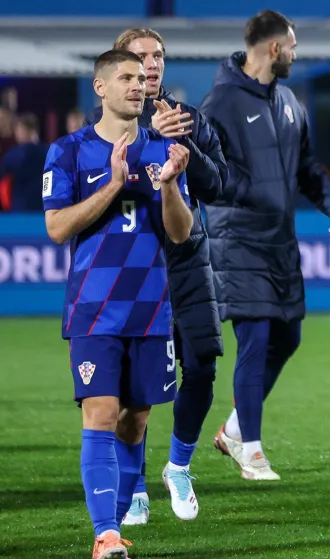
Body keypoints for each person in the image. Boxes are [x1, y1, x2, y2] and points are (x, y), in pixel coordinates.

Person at [42, 49, 193, 559]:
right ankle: (105, 534)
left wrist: (169, 185)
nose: (137, 83)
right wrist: (112, 184)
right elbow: (58, 227)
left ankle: (119, 526)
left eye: (140, 77)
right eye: (125, 77)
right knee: (102, 412)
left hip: (151, 310)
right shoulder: (68, 151)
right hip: (93, 310)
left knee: (136, 421)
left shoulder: (164, 150)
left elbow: (181, 232)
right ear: (100, 88)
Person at [202, 10, 330, 480]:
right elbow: (209, 174)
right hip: (238, 239)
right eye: (292, 45)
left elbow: (308, 169)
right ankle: (251, 450)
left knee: (288, 336)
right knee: (256, 336)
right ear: (274, 49)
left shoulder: (290, 101)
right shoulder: (220, 103)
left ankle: (232, 429)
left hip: (280, 240)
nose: (295, 52)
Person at [83, 26, 229, 525]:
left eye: (159, 56)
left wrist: (183, 140)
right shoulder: (103, 127)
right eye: (140, 56)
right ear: (119, 62)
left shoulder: (186, 118)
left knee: (204, 363)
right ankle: (135, 483)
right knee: (133, 386)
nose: (151, 65)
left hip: (188, 258)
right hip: (137, 265)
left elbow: (220, 184)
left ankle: (179, 466)